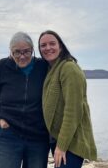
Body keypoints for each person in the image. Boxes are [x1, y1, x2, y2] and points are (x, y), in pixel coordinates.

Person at [0, 32, 50, 168]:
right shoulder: (2, 66)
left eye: (26, 52)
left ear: (33, 50)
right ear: (11, 52)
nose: (22, 56)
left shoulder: (43, 67)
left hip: (38, 136)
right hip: (8, 134)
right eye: (17, 52)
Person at [38, 30, 97, 168]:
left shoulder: (69, 68)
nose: (48, 48)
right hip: (59, 139)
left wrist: (62, 146)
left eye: (52, 43)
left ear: (61, 46)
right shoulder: (53, 69)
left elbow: (73, 111)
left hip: (71, 143)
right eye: (43, 45)